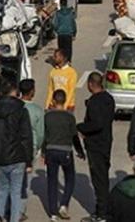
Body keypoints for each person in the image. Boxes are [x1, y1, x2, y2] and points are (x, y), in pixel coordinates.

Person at [0, 79, 33, 222]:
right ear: (15, 92)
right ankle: (14, 219)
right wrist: (28, 161)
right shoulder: (21, 111)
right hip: (18, 157)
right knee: (16, 192)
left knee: (2, 189)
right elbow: (26, 137)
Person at [78, 72, 116, 222]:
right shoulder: (109, 99)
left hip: (96, 145)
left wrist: (81, 127)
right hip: (106, 142)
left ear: (91, 84)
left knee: (99, 180)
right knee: (103, 178)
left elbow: (96, 123)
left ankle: (102, 214)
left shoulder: (95, 102)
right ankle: (103, 209)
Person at [43, 89, 86, 221]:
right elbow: (74, 136)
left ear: (54, 101)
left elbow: (45, 135)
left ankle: (53, 213)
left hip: (51, 150)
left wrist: (43, 152)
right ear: (65, 101)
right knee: (70, 177)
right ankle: (64, 204)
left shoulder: (47, 116)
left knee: (52, 181)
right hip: (66, 151)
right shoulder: (69, 117)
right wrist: (80, 151)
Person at [19, 79, 44, 221]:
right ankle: (20, 210)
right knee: (25, 181)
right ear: (32, 92)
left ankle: (10, 206)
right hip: (31, 148)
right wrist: (39, 147)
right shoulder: (37, 110)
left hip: (15, 148)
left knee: (13, 179)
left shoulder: (16, 107)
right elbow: (40, 133)